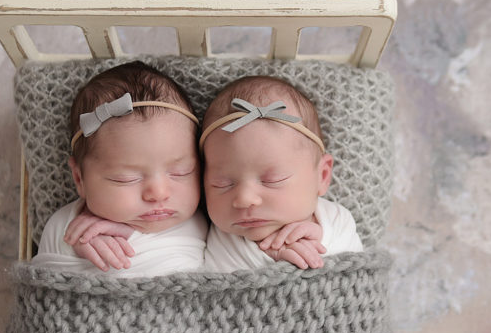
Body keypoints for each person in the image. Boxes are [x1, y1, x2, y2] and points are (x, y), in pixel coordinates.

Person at [32, 61, 207, 276]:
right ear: (79, 179)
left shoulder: (209, 221)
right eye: (126, 178)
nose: (158, 193)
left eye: (181, 172)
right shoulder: (64, 226)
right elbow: (48, 273)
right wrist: (75, 244)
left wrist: (130, 234)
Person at [199, 75, 363, 272]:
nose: (245, 199)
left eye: (272, 180)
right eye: (222, 183)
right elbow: (218, 284)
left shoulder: (336, 220)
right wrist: (271, 256)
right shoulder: (221, 237)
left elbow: (354, 270)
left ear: (322, 176)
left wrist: (321, 243)